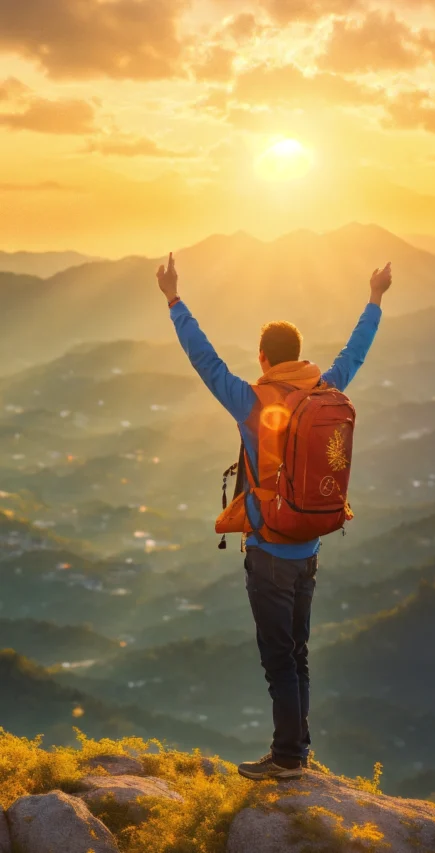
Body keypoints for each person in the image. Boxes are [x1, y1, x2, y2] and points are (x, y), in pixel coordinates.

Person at [156, 253, 392, 780]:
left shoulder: (252, 401)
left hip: (268, 552)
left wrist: (174, 299)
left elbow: (206, 361)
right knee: (298, 655)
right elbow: (357, 352)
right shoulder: (326, 388)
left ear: (264, 360)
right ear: (298, 357)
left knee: (278, 661)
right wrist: (375, 298)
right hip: (310, 547)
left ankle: (287, 758)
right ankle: (298, 749)